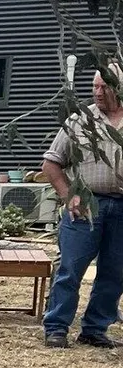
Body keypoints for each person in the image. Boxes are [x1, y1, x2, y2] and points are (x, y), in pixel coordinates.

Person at [40, 61, 123, 348]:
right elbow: (51, 163)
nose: (98, 92)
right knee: (70, 269)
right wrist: (69, 194)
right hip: (86, 205)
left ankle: (95, 330)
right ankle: (56, 327)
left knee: (115, 273)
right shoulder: (78, 120)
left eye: (104, 86)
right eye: (94, 86)